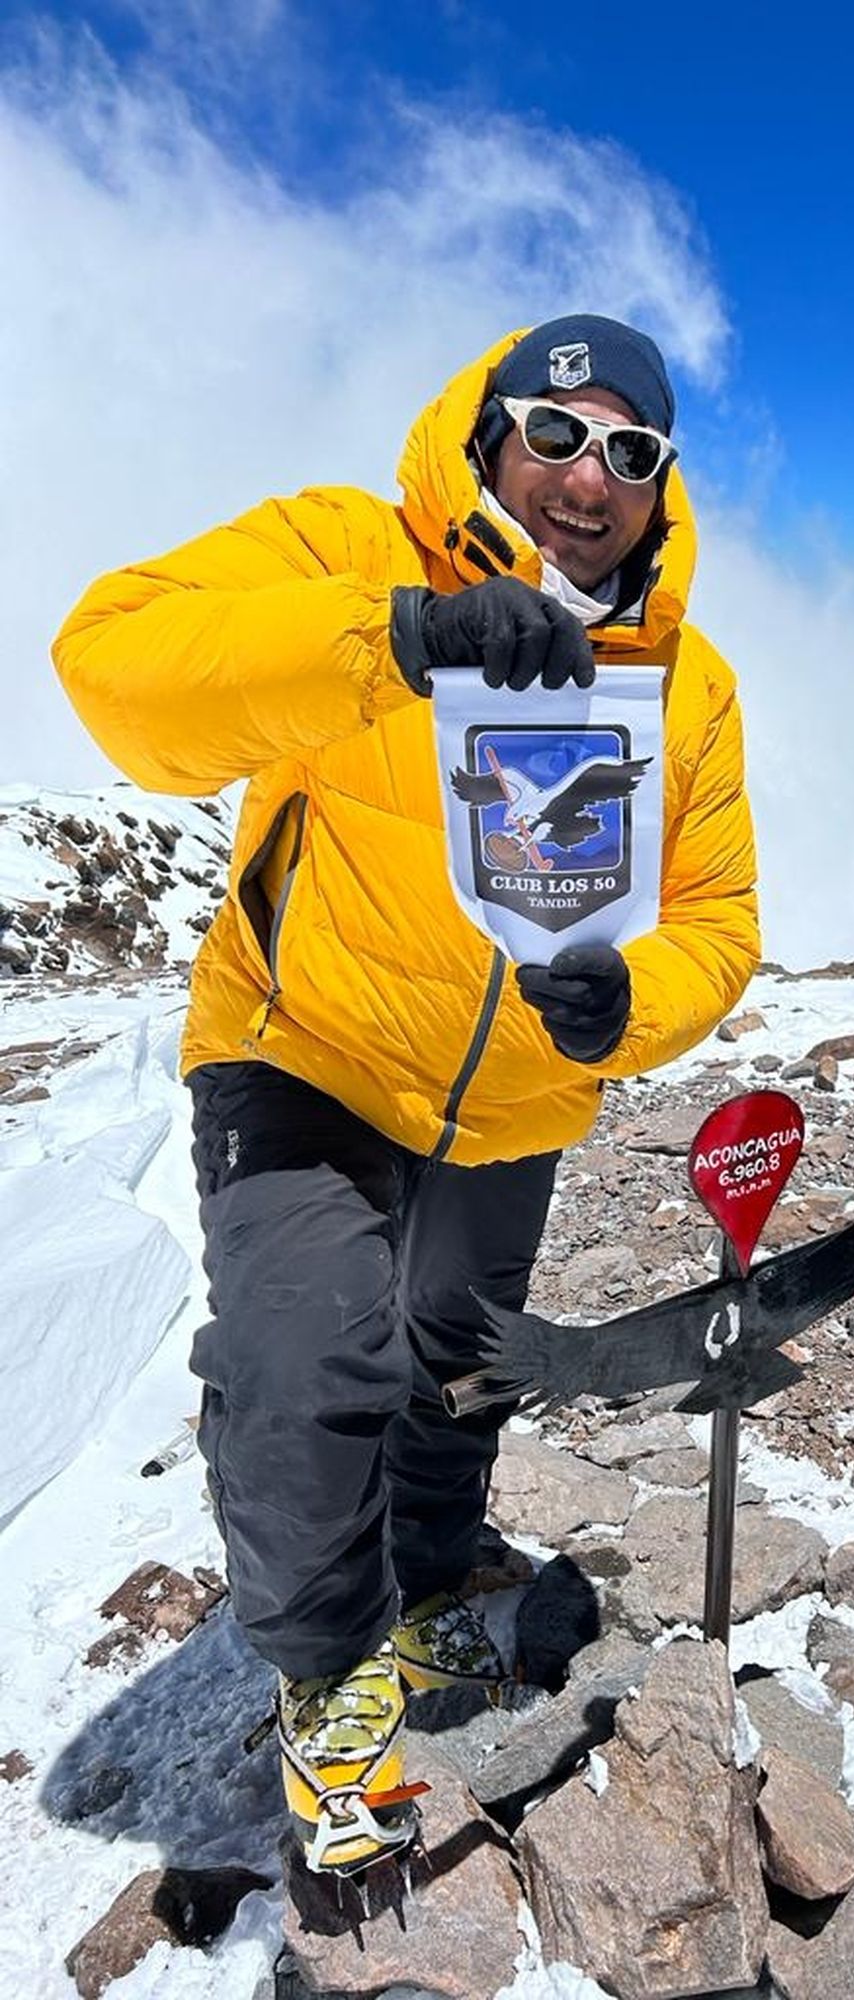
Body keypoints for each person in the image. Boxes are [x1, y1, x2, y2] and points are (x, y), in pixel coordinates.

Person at [53, 314, 760, 1875]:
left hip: (511, 1104)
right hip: (301, 1049)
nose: (588, 478)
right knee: (311, 1369)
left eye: (629, 453)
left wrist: (633, 1005)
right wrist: (395, 636)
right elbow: (112, 672)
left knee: (456, 1369)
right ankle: (325, 1678)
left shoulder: (685, 684)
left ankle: (434, 1574)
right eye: (555, 435)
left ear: (662, 486)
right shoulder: (343, 546)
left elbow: (720, 916)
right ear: (490, 431)